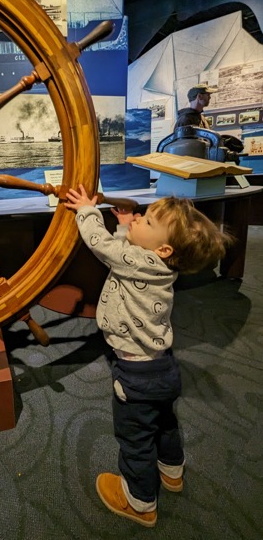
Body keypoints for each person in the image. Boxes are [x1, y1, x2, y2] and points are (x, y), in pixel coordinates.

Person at [64, 185, 231, 528]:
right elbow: (132, 249)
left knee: (135, 439)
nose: (138, 216)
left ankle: (139, 502)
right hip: (164, 366)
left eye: (147, 219)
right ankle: (172, 471)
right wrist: (128, 225)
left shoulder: (139, 261)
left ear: (163, 248)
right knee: (165, 422)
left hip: (135, 375)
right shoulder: (159, 264)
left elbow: (102, 245)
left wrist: (86, 210)